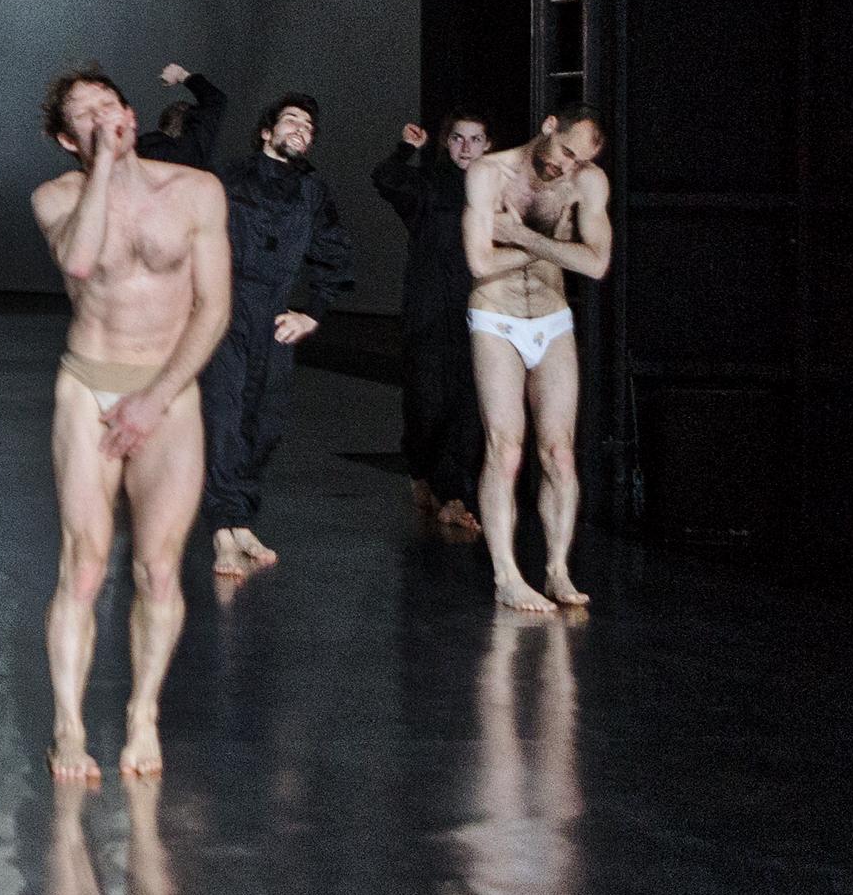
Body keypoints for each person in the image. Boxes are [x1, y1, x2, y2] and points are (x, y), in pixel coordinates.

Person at [31, 68, 232, 784]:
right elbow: (80, 263)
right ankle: (68, 724)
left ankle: (143, 713)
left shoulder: (195, 192)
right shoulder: (56, 197)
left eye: (107, 106)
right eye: (82, 116)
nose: (100, 119)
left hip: (166, 392)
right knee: (84, 566)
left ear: (129, 109)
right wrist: (107, 167)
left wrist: (154, 399)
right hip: (88, 384)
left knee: (156, 568)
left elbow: (212, 308)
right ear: (66, 139)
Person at [463, 108, 615, 614]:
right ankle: (507, 575)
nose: (568, 168)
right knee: (506, 449)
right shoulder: (490, 173)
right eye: (567, 153)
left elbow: (595, 264)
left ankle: (556, 569)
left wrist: (525, 238)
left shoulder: (588, 184)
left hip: (552, 318)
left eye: (581, 161)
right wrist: (558, 248)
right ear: (550, 126)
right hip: (496, 317)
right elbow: (481, 262)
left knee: (559, 452)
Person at [201, 95, 356, 577]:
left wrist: (312, 311)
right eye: (292, 119)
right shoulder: (230, 178)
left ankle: (241, 517)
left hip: (274, 314)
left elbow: (335, 252)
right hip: (225, 307)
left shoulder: (313, 191)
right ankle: (222, 531)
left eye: (309, 125)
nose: (302, 128)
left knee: (264, 422)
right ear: (267, 132)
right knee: (223, 415)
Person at [373, 114, 495, 539]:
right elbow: (386, 179)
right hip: (427, 306)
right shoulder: (429, 185)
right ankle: (421, 469)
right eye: (458, 138)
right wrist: (406, 149)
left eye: (475, 139)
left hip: (477, 308)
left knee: (465, 399)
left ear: (487, 146)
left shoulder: (495, 191)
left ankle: (454, 494)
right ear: (447, 143)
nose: (466, 147)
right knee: (426, 397)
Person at [140, 63, 229, 172]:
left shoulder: (136, 150)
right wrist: (181, 74)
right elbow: (216, 100)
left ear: (162, 122)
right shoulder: (192, 152)